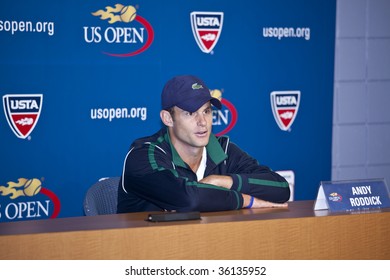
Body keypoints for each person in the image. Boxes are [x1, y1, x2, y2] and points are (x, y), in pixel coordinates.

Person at [117, 75, 290, 213]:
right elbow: (188, 199)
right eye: (190, 113)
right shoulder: (144, 155)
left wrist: (224, 181)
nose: (202, 122)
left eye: (206, 111)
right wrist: (245, 200)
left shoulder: (222, 149)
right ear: (168, 118)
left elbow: (281, 188)